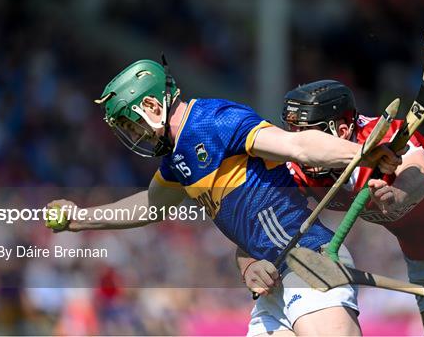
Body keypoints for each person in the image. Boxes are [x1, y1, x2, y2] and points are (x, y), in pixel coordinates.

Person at [47, 59, 403, 336]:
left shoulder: (214, 121)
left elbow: (296, 145)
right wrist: (81, 218)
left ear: (153, 107)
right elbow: (152, 205)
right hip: (273, 282)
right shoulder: (176, 161)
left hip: (309, 258)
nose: (133, 136)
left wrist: (358, 153)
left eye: (131, 124)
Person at [237, 79, 424, 336]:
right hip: (422, 258)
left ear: (341, 130)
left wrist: (396, 194)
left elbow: (419, 175)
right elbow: (256, 227)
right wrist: (250, 265)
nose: (298, 143)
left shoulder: (385, 137)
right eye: (292, 131)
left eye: (307, 132)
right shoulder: (298, 172)